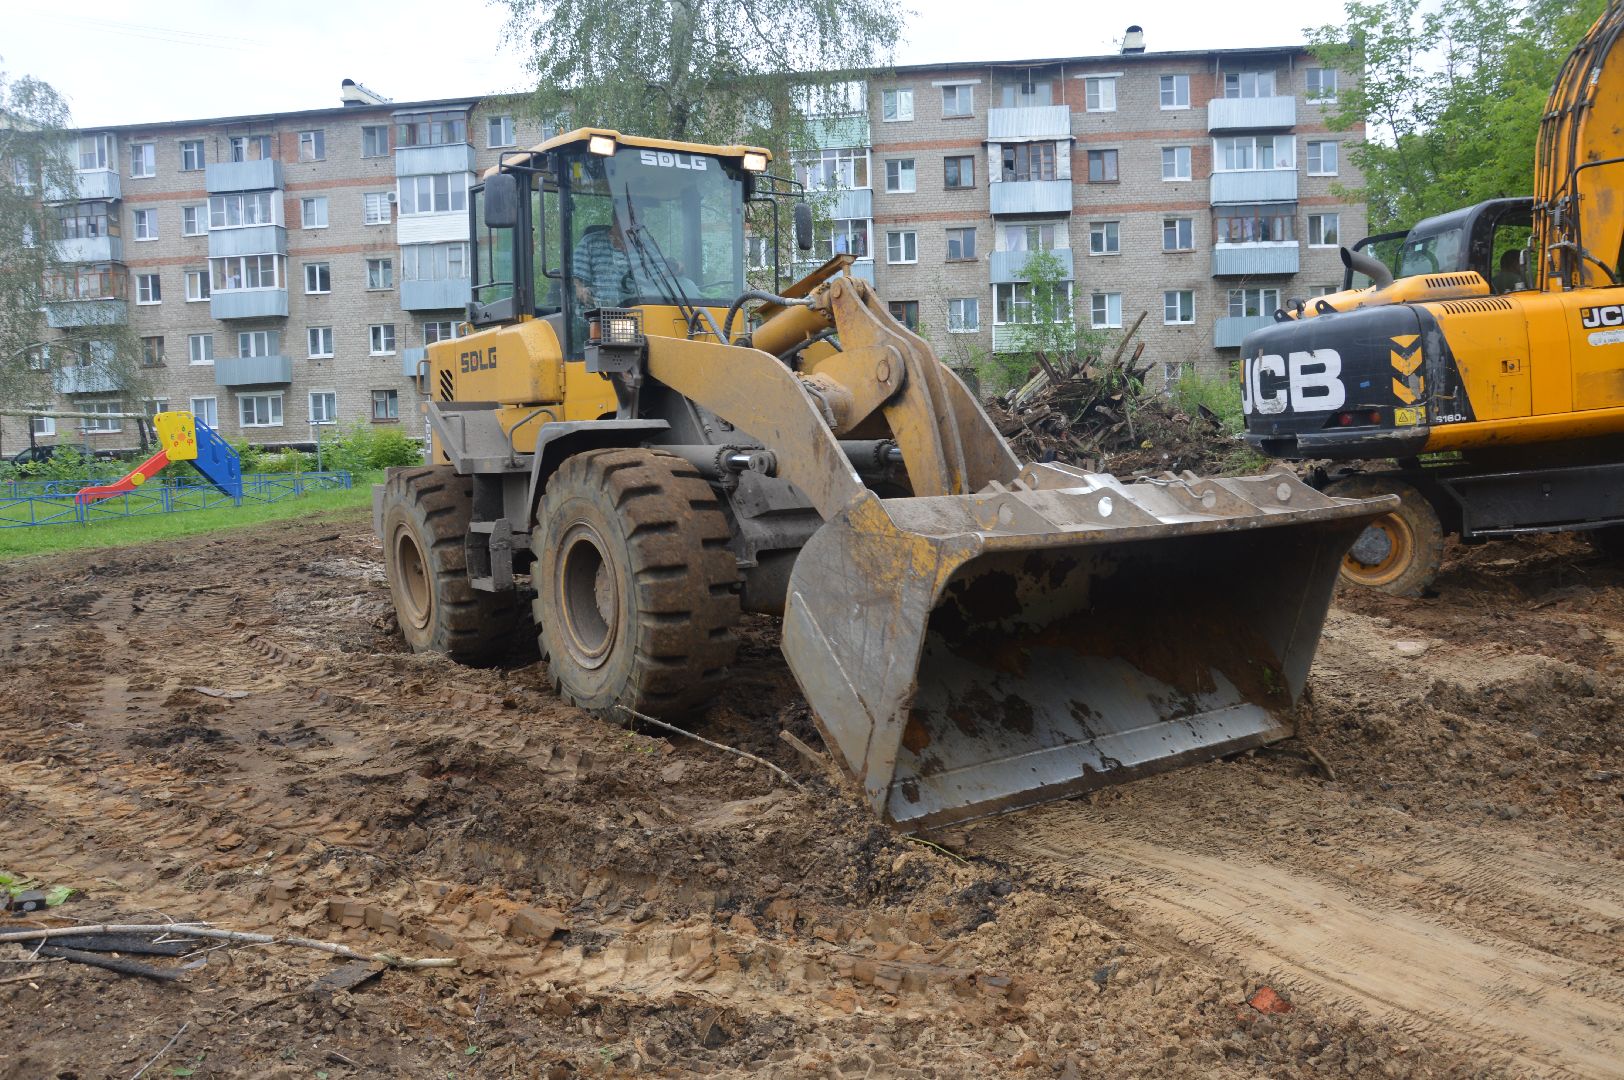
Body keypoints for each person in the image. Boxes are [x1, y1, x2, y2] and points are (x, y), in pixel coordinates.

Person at [573, 220, 635, 308]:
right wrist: (581, 292)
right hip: (598, 313)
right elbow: (575, 283)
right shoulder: (589, 243)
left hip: (643, 310)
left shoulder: (646, 249)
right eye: (632, 218)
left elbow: (654, 284)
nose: (636, 223)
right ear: (617, 218)